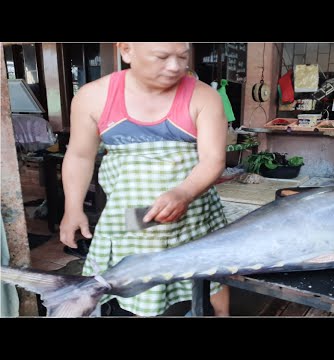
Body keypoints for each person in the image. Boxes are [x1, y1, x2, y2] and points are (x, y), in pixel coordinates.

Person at [59, 42, 230, 316]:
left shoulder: (203, 96)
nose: (175, 66)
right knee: (134, 279)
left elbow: (213, 160)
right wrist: (73, 208)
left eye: (182, 57)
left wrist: (184, 193)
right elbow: (80, 155)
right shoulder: (93, 97)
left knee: (209, 273)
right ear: (126, 51)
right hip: (130, 217)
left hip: (193, 212)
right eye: (162, 57)